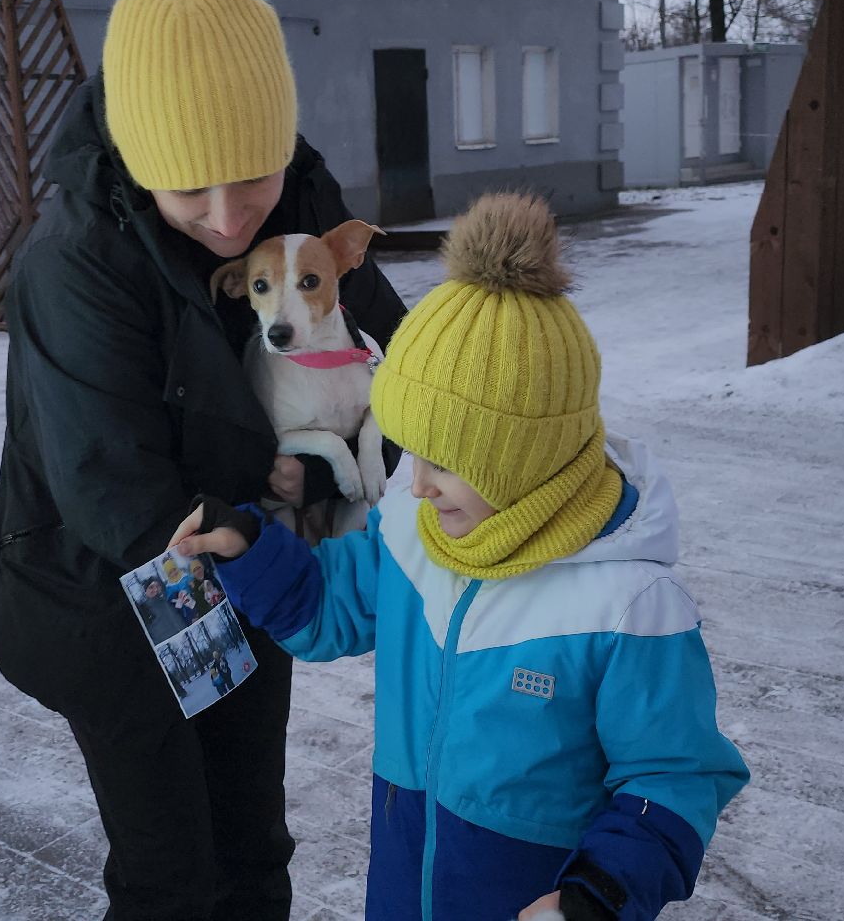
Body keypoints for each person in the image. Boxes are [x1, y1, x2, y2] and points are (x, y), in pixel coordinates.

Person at [0, 0, 405, 921]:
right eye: (187, 189)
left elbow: (403, 357)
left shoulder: (302, 200)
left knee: (254, 846)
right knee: (172, 877)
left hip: (247, 564)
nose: (229, 213)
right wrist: (272, 499)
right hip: (102, 594)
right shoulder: (74, 263)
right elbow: (112, 487)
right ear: (138, 160)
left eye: (251, 173)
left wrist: (481, 429)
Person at [171, 194, 750, 921]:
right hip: (405, 886)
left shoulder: (627, 608)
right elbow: (330, 605)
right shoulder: (417, 534)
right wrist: (253, 549)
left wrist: (601, 892)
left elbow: (673, 774)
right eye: (413, 449)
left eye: (445, 461)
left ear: (523, 458)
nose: (415, 483)